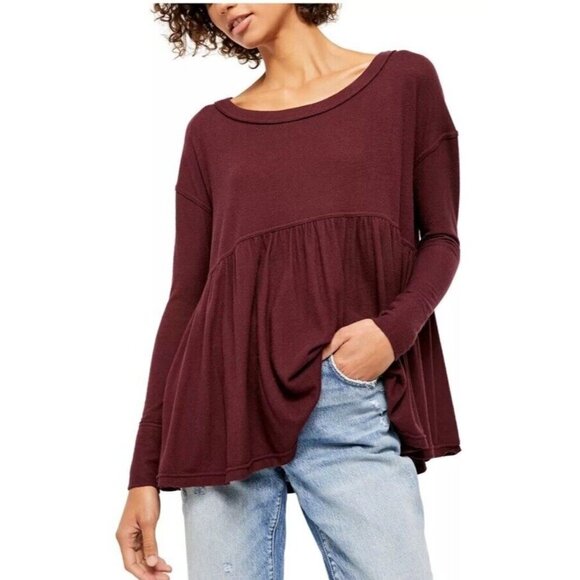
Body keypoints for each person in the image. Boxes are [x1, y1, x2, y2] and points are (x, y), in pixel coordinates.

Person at [116, 3, 462, 579]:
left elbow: (442, 239)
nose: (222, 5)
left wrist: (389, 334)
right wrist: (143, 472)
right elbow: (186, 301)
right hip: (221, 412)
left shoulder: (404, 81)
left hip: (347, 397)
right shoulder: (209, 132)